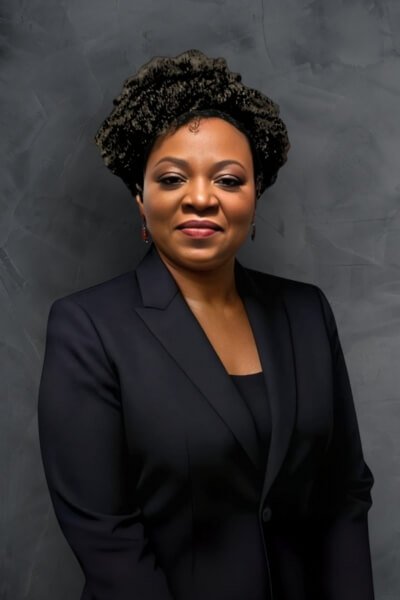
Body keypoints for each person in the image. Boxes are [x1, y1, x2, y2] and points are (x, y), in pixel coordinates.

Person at [37, 49, 375, 600]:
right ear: (140, 198)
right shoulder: (88, 329)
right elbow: (106, 536)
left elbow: (343, 495)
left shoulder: (308, 313)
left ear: (255, 195)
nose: (200, 198)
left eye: (228, 179)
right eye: (173, 178)